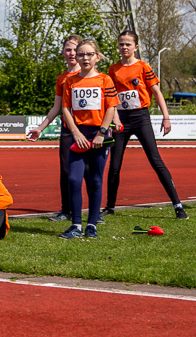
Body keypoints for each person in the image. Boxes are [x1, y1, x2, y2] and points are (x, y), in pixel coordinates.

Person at [102, 30, 188, 220]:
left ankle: (178, 205)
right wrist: (114, 119)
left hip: (141, 117)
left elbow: (156, 92)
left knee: (155, 160)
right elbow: (111, 98)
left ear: (136, 47)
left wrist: (166, 117)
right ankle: (109, 206)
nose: (124, 47)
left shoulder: (143, 66)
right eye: (121, 44)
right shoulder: (113, 69)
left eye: (128, 44)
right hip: (121, 120)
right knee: (114, 165)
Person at [59, 39, 120, 239]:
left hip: (99, 136)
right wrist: (75, 132)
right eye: (81, 54)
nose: (85, 58)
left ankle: (92, 224)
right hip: (79, 134)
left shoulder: (105, 80)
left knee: (95, 180)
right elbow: (65, 108)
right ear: (76, 57)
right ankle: (76, 224)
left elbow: (111, 107)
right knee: (74, 179)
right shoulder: (70, 81)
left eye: (89, 54)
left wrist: (102, 133)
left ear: (97, 57)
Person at [26, 35, 82, 222]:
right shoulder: (62, 78)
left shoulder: (90, 74)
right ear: (63, 53)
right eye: (68, 49)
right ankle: (66, 210)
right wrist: (40, 129)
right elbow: (56, 107)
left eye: (75, 49)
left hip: (88, 129)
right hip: (67, 129)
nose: (72, 53)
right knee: (66, 171)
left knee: (89, 172)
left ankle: (94, 212)